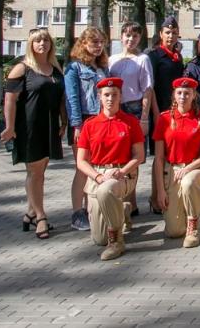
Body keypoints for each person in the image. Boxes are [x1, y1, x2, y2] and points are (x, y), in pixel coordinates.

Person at [0, 27, 66, 240]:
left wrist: (64, 120)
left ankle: (30, 212)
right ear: (31, 44)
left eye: (45, 40)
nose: (42, 44)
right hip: (28, 126)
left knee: (40, 171)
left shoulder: (55, 68)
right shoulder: (22, 69)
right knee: (35, 172)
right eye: (37, 41)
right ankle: (41, 217)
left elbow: (61, 97)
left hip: (49, 125)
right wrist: (9, 127)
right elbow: (9, 99)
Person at [74, 78, 145, 260]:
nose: (110, 99)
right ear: (99, 97)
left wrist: (121, 172)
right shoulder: (90, 125)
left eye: (114, 95)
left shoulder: (130, 122)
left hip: (122, 174)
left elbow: (139, 156)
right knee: (99, 239)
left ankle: (116, 241)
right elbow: (81, 161)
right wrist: (98, 177)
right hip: (97, 175)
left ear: (120, 97)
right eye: (106, 95)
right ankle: (123, 210)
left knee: (107, 191)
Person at [152, 77, 200, 248]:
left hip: (195, 167)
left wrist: (188, 168)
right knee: (174, 232)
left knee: (188, 183)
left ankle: (194, 225)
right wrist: (160, 191)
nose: (183, 96)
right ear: (174, 95)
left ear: (194, 95)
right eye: (179, 93)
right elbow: (158, 158)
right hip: (171, 170)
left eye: (187, 93)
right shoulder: (164, 119)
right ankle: (184, 217)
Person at [64, 27, 109, 232]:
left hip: (100, 121)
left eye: (101, 42)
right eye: (94, 42)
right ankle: (77, 212)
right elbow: (72, 98)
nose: (98, 46)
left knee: (97, 166)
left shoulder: (101, 68)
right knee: (82, 167)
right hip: (83, 121)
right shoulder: (74, 68)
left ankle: (94, 209)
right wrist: (76, 125)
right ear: (83, 44)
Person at [107, 21, 154, 217]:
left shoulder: (143, 59)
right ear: (121, 37)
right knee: (118, 155)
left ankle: (132, 201)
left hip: (134, 109)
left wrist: (144, 117)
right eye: (127, 35)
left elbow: (147, 90)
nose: (130, 39)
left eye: (135, 36)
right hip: (116, 110)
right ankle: (119, 199)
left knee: (134, 157)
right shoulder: (112, 60)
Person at [147, 16, 186, 211]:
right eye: (167, 32)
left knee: (169, 154)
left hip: (174, 112)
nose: (171, 36)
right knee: (159, 155)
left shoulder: (177, 56)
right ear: (161, 34)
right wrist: (155, 112)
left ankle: (166, 194)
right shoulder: (154, 56)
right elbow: (151, 87)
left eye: (174, 32)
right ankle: (155, 197)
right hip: (160, 111)